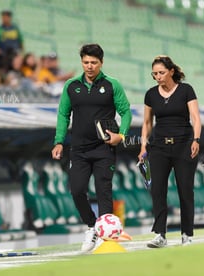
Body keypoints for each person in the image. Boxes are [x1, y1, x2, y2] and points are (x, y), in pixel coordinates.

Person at [51, 43, 132, 252]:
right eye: (86, 62)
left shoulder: (112, 85)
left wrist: (121, 136)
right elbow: (63, 114)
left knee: (103, 190)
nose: (89, 66)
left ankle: (106, 239)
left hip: (104, 148)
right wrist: (58, 141)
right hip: (78, 149)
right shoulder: (71, 85)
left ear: (101, 63)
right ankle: (92, 226)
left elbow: (126, 112)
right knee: (77, 190)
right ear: (81, 62)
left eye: (94, 62)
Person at [137, 55, 201, 247]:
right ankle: (160, 235)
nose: (158, 77)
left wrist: (196, 139)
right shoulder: (150, 94)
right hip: (159, 147)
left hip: (184, 145)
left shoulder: (186, 90)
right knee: (157, 190)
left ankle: (186, 235)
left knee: (185, 190)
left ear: (171, 71)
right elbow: (147, 123)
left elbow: (195, 118)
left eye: (161, 73)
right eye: (154, 74)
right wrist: (143, 146)